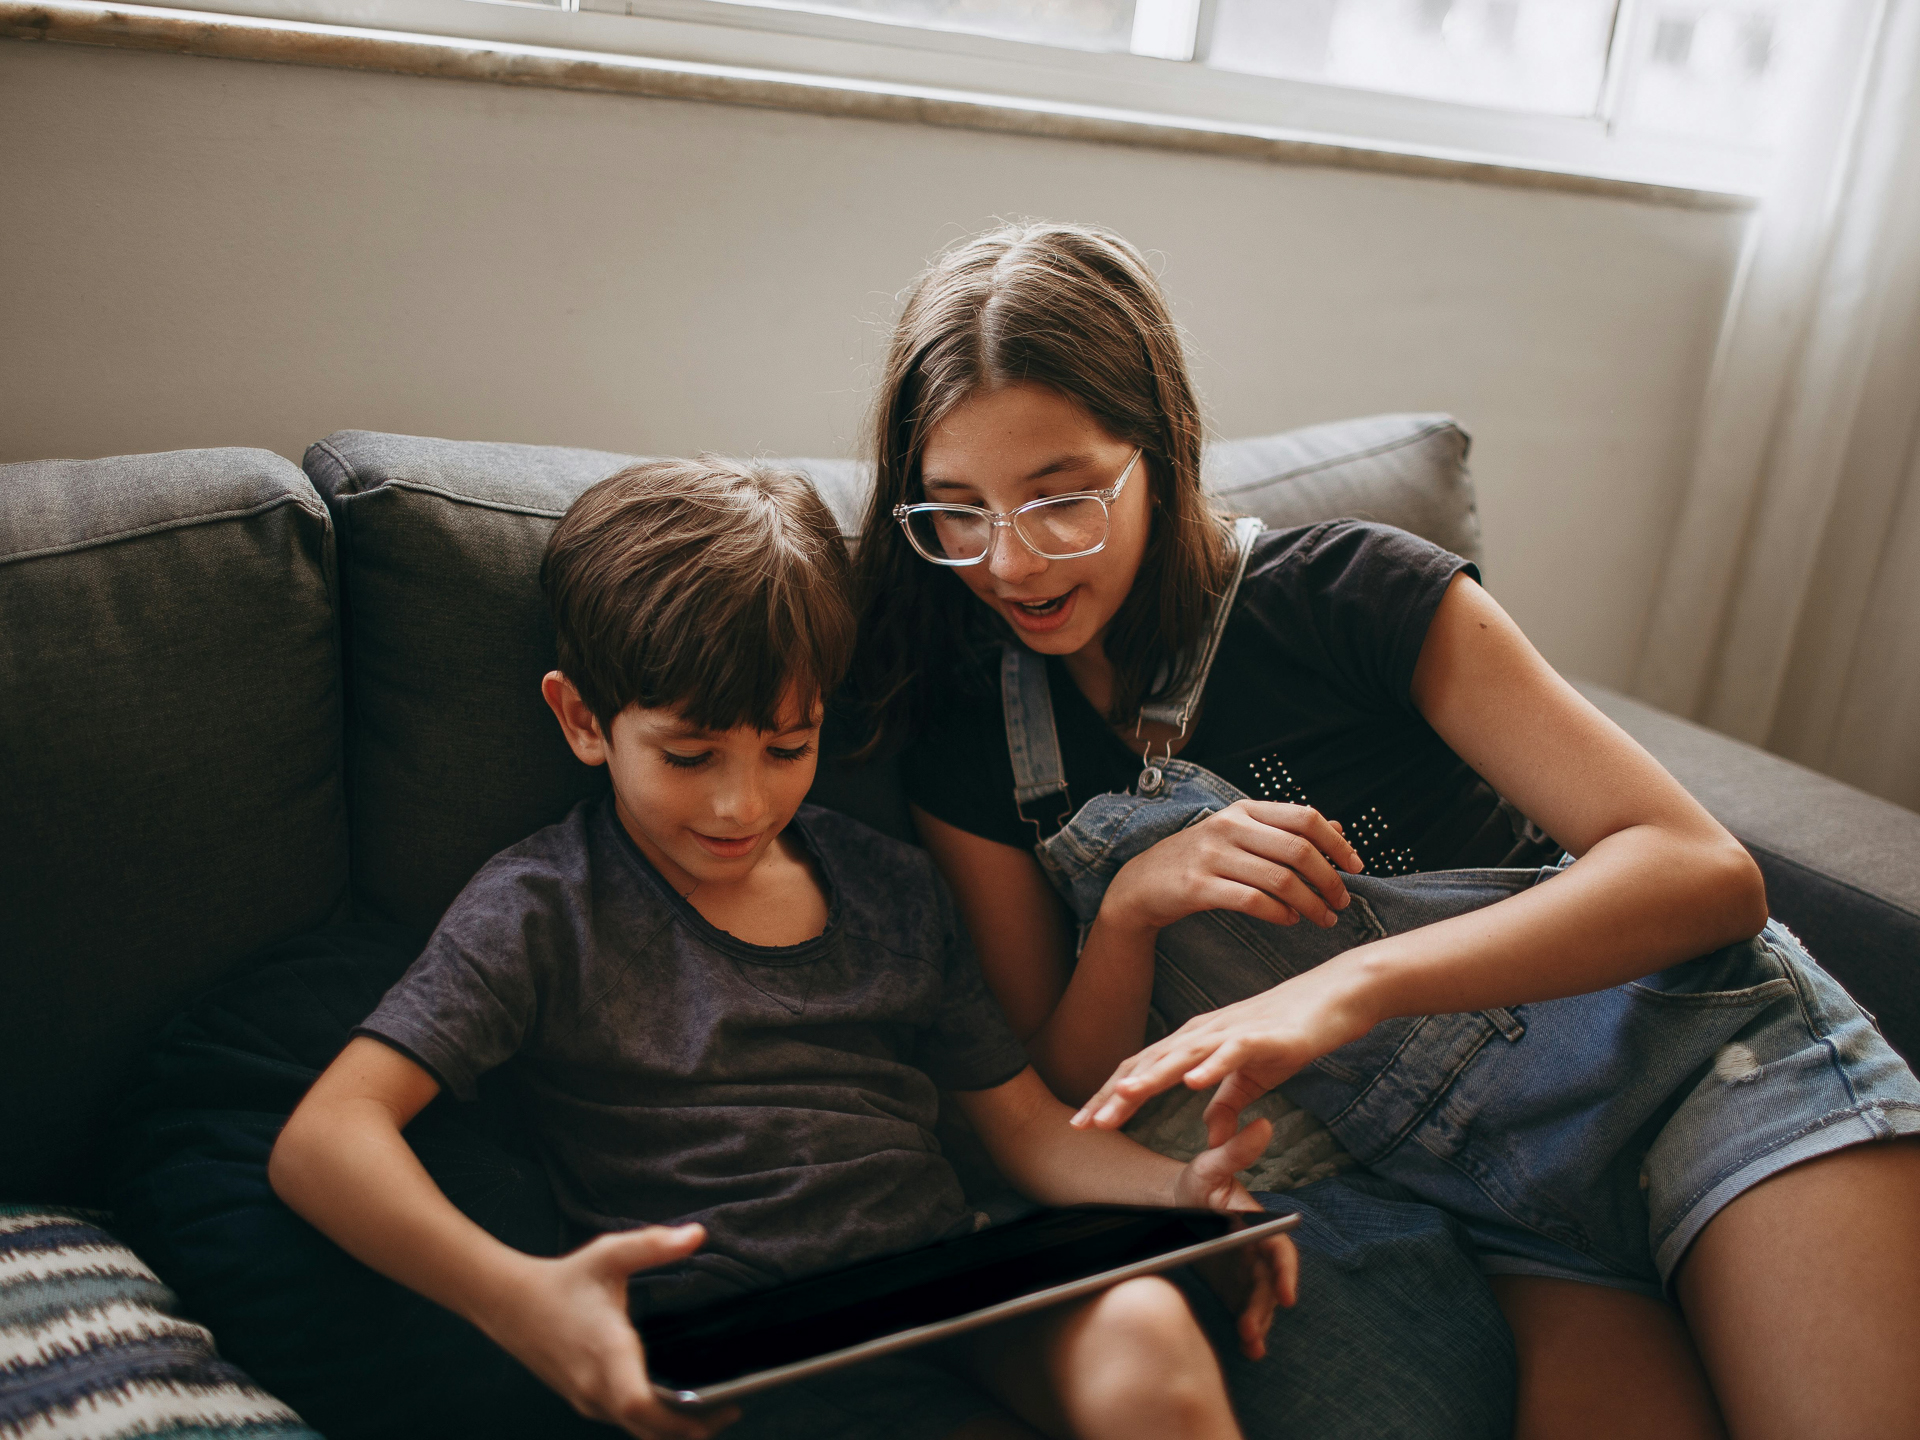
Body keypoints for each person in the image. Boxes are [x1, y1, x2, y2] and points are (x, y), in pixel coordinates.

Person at [850, 221, 1920, 1440]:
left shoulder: (1354, 594)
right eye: (956, 512)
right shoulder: (969, 738)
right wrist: (1134, 910)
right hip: (1499, 1217)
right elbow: (1063, 1097)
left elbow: (1701, 873)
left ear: (1162, 450)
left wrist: (1351, 985)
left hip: (1696, 1072)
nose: (1009, 561)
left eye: (1061, 499)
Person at [270, 454, 1330, 1440]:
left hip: (946, 1294)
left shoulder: (891, 887)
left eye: (790, 747)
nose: (743, 803)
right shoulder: (543, 909)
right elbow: (324, 1141)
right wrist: (518, 1300)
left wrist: (1183, 1200)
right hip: (734, 1351)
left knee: (1143, 1325)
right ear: (584, 722)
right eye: (689, 755)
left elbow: (1025, 1133)